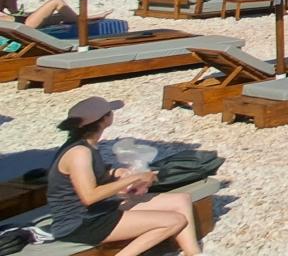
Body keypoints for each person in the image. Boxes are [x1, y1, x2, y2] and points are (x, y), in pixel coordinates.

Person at [48, 97, 201, 256]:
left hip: (97, 211)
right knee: (175, 221)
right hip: (81, 224)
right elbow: (89, 196)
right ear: (104, 120)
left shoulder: (85, 145)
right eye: (110, 112)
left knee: (181, 200)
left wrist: (116, 173)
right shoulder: (79, 153)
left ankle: (193, 253)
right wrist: (135, 178)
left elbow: (87, 176)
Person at [1, 0, 109, 28]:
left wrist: (16, 12)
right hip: (25, 25)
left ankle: (88, 18)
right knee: (56, 2)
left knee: (62, 16)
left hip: (21, 19)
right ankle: (86, 19)